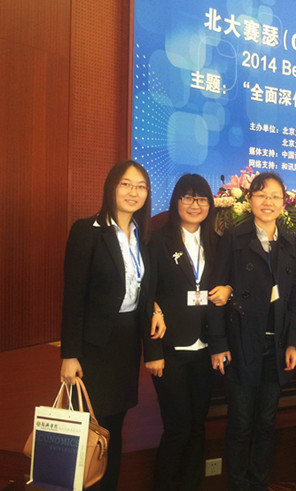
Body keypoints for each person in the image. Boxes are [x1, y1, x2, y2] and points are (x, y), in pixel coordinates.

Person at [60, 160, 155, 491]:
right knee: (88, 430)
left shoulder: (143, 236)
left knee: (114, 429)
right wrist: (69, 354)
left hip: (126, 345)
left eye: (141, 186)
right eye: (126, 184)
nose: (133, 192)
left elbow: (143, 289)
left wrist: (155, 309)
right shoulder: (87, 231)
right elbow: (73, 297)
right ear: (111, 187)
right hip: (93, 348)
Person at [208, 172, 296, 490]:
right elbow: (217, 292)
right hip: (241, 344)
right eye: (261, 195)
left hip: (277, 348)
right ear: (250, 200)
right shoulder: (234, 238)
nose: (268, 202)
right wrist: (218, 343)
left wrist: (294, 342)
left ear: (283, 203)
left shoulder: (291, 242)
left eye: (275, 196)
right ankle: (238, 484)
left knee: (266, 422)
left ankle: (259, 483)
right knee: (241, 422)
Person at [143, 174, 231, 490]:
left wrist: (229, 289)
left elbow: (228, 283)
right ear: (176, 201)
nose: (195, 205)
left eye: (202, 199)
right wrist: (152, 351)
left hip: (205, 349)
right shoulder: (157, 242)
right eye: (188, 197)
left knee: (197, 425)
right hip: (170, 350)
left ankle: (190, 484)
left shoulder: (217, 243)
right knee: (178, 426)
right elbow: (147, 296)